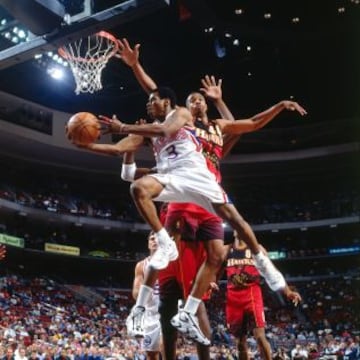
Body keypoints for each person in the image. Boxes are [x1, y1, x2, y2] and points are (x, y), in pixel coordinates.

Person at [114, 38, 306, 347]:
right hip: (181, 183)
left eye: (199, 99)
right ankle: (140, 309)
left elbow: (246, 125)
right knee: (166, 249)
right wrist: (135, 65)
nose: (195, 102)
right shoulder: (179, 122)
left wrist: (230, 101)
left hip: (205, 187)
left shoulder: (217, 128)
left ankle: (190, 310)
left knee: (217, 255)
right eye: (191, 100)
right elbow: (156, 93)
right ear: (183, 108)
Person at [224, 230, 302, 360]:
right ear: (233, 232)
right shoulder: (226, 249)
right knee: (240, 343)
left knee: (260, 337)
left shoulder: (256, 248)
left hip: (252, 294)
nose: (237, 228)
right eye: (235, 226)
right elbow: (214, 268)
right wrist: (211, 282)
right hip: (233, 297)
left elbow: (272, 269)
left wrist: (287, 291)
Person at [128, 232, 162, 360]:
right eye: (152, 239)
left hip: (167, 311)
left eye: (158, 239)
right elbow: (136, 294)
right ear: (148, 243)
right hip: (150, 315)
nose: (154, 241)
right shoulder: (141, 266)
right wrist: (148, 284)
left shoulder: (172, 262)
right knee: (151, 354)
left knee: (166, 348)